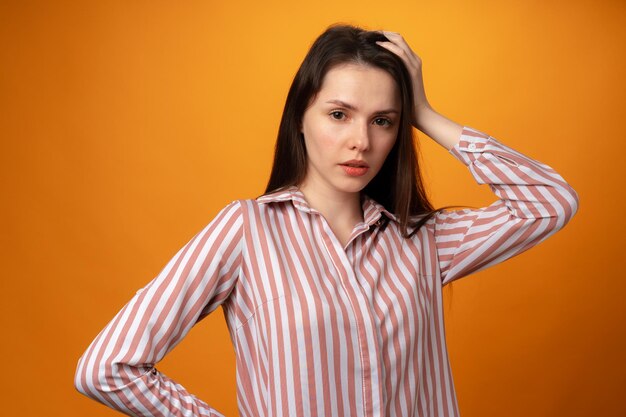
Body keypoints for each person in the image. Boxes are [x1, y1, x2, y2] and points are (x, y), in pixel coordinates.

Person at [74, 24, 579, 417]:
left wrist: (423, 112)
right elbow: (108, 368)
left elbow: (550, 203)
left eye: (383, 120)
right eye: (339, 114)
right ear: (301, 116)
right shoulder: (246, 232)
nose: (361, 140)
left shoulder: (423, 239)